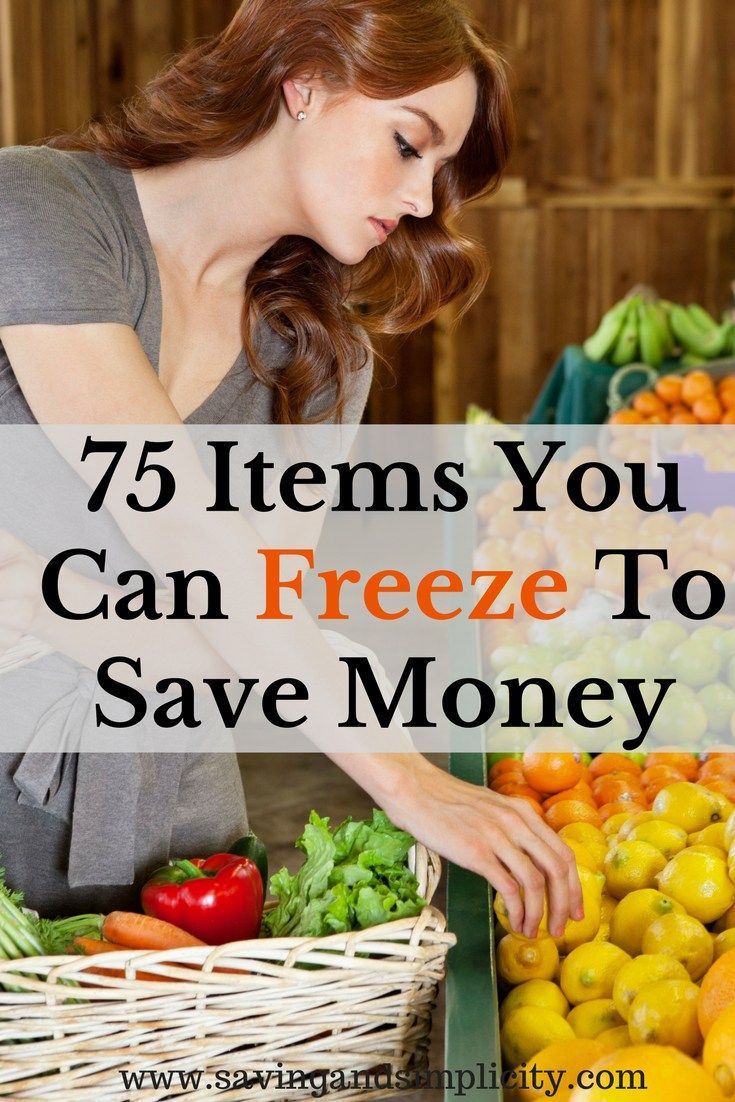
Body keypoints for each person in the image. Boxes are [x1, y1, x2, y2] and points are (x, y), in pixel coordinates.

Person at [0, 0, 582, 939]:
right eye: (408, 143)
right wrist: (403, 777)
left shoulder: (320, 359)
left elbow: (248, 634)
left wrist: (44, 606)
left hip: (181, 843)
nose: (425, 200)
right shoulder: (37, 209)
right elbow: (182, 522)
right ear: (304, 81)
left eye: (442, 171)